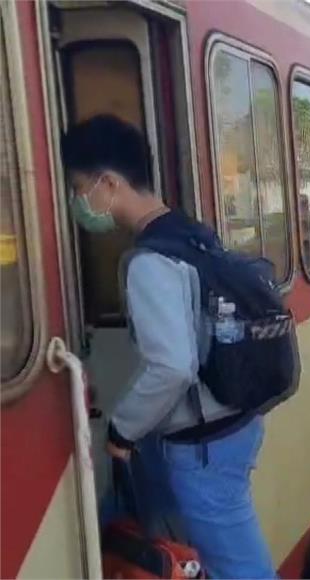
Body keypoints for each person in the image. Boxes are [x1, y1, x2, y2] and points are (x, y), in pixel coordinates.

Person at [61, 115, 275, 578]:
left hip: (203, 444)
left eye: (81, 189)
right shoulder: (193, 234)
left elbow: (173, 366)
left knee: (239, 567)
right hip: (232, 421)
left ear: (109, 183)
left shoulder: (151, 261)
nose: (79, 202)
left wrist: (121, 431)